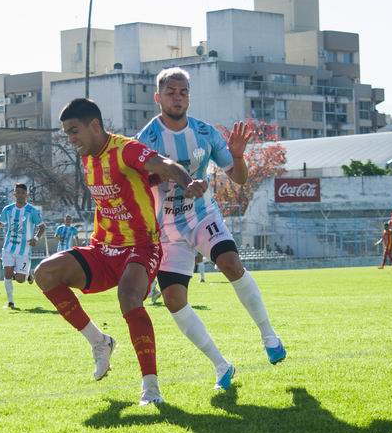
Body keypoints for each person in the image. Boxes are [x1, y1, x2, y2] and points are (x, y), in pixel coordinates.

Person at [34, 98, 206, 405]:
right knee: (45, 273)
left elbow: (163, 165)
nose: (71, 140)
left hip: (140, 246)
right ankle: (100, 342)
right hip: (102, 249)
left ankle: (150, 388)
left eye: (74, 131)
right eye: (67, 134)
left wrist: (188, 181)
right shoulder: (88, 158)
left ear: (95, 126)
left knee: (128, 297)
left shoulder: (125, 149)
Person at [136, 67, 286, 390]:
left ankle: (269, 336)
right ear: (157, 97)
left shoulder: (204, 133)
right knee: (174, 300)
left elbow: (240, 178)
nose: (177, 97)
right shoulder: (145, 140)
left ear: (189, 96)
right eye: (170, 92)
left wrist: (236, 155)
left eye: (183, 92)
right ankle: (221, 366)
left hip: (203, 216)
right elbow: (138, 184)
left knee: (232, 264)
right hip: (167, 230)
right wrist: (161, 177)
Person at [0, 184, 46, 309]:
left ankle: (28, 274)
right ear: (14, 194)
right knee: (7, 273)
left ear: (26, 194)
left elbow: (42, 227)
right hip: (8, 247)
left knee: (20, 279)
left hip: (24, 249)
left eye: (22, 192)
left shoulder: (32, 211)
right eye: (17, 192)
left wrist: (35, 238)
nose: (20, 194)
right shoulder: (8, 209)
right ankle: (10, 302)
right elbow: (1, 222)